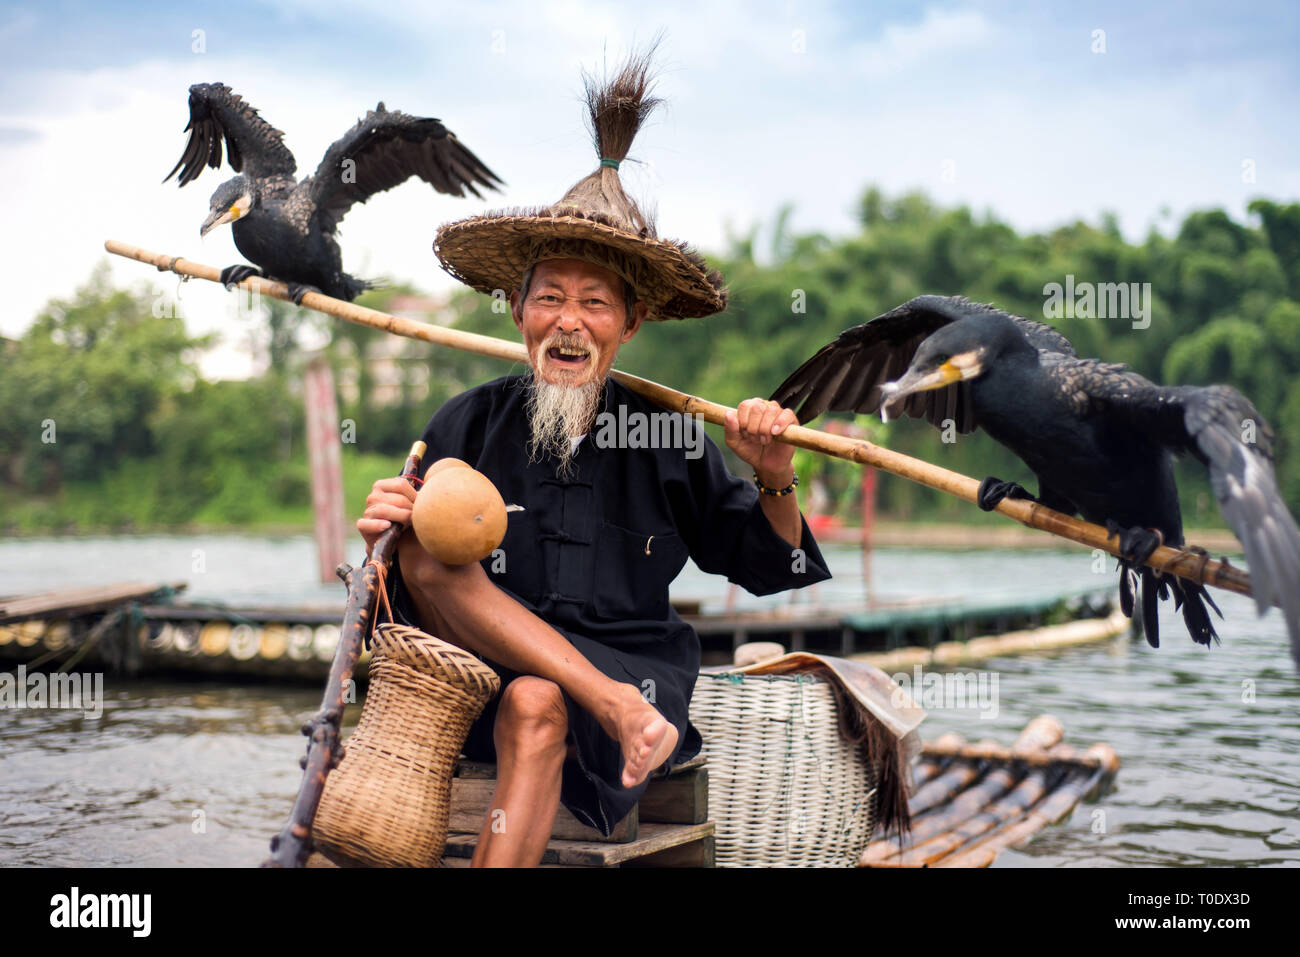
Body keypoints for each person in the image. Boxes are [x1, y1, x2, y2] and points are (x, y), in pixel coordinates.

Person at [357, 49, 831, 867]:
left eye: (594, 302)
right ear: (516, 312)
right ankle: (603, 703)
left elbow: (767, 562)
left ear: (630, 324)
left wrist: (775, 471)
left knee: (540, 698)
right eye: (549, 297)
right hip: (481, 677)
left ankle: (609, 703)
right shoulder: (468, 421)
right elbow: (390, 600)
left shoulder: (669, 433)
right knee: (425, 556)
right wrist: (380, 534)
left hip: (635, 677)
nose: (568, 322)